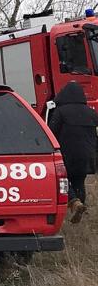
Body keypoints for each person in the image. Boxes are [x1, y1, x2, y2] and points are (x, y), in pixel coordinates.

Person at [49, 81, 98, 224]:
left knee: (63, 181)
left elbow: (52, 133)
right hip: (87, 155)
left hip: (67, 155)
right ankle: (80, 210)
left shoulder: (61, 112)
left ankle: (74, 202)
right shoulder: (91, 112)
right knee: (79, 181)